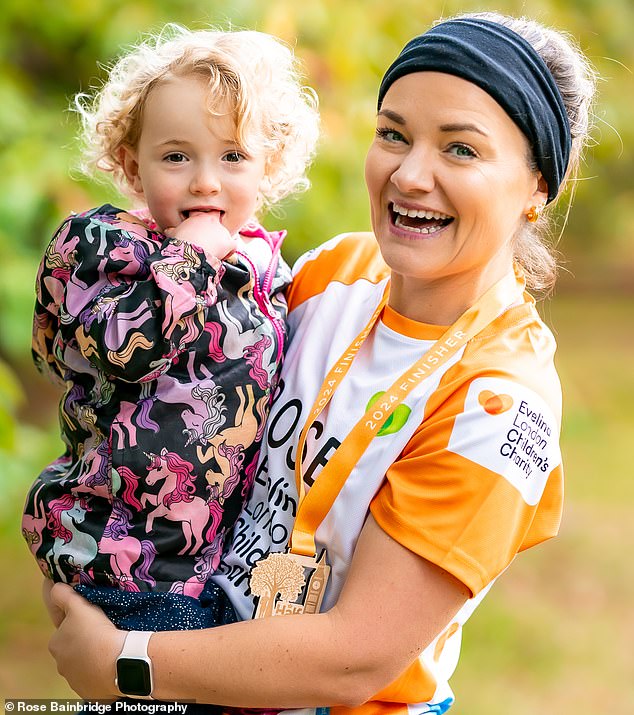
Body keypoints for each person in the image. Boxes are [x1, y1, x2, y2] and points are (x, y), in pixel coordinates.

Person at [46, 12, 597, 715]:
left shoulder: (496, 403)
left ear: (538, 185)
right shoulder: (336, 269)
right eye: (393, 133)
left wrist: (125, 664)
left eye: (461, 149)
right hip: (193, 668)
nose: (410, 173)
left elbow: (354, 657)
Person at [21, 25, 319, 641]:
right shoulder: (103, 250)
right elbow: (123, 349)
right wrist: (189, 260)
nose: (206, 182)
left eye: (233, 157)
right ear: (133, 166)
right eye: (177, 156)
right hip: (122, 557)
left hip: (215, 562)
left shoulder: (263, 269)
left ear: (269, 168)